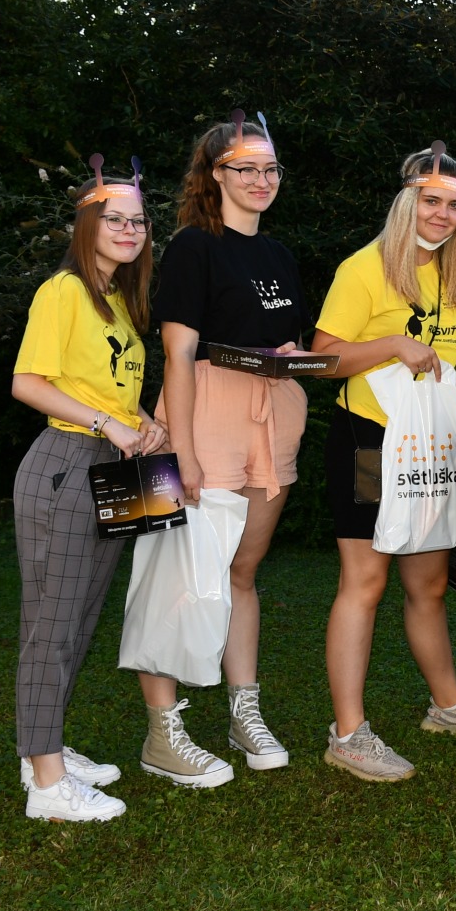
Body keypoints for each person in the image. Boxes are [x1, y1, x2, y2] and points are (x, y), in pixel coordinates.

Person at [310, 144, 456, 785]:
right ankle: (348, 733)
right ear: (407, 202)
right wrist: (392, 345)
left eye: (454, 205)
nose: (443, 215)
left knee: (428, 584)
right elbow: (321, 357)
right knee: (365, 582)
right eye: (431, 201)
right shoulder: (364, 268)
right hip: (371, 443)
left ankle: (448, 706)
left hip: (435, 448)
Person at [139, 112, 310, 787]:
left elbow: (286, 338)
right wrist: (182, 451)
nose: (262, 180)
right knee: (176, 575)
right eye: (246, 168)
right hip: (204, 415)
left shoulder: (279, 255)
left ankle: (245, 715)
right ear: (215, 174)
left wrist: (295, 354)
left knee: (242, 572)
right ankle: (163, 732)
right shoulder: (193, 246)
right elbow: (179, 355)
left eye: (270, 168)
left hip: (273, 416)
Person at [10, 156, 168, 821]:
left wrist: (144, 420)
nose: (130, 230)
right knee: (52, 623)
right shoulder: (64, 290)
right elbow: (28, 382)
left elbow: (106, 386)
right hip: (68, 462)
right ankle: (48, 786)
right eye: (115, 220)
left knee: (78, 617)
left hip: (116, 465)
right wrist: (109, 423)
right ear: (87, 225)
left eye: (139, 221)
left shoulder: (118, 299)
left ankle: (42, 749)